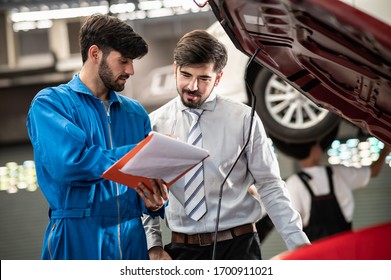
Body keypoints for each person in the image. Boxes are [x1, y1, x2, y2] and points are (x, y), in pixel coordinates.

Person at [143, 29, 310, 260]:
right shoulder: (154, 124)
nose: (192, 86)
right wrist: (153, 246)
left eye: (203, 79)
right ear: (175, 69)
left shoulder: (244, 119)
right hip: (181, 251)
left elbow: (270, 186)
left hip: (239, 248)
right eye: (186, 75)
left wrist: (301, 247)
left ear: (218, 78)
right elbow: (143, 190)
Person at [26, 13, 168, 260]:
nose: (131, 70)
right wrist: (140, 151)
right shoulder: (51, 104)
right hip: (76, 237)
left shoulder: (135, 113)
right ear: (95, 54)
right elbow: (71, 164)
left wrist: (153, 202)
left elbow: (145, 180)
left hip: (131, 240)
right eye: (123, 61)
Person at [284, 138, 391, 242]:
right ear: (313, 150)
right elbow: (373, 171)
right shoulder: (338, 173)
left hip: (316, 256)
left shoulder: (293, 183)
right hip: (346, 249)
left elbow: (292, 228)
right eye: (317, 145)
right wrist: (386, 148)